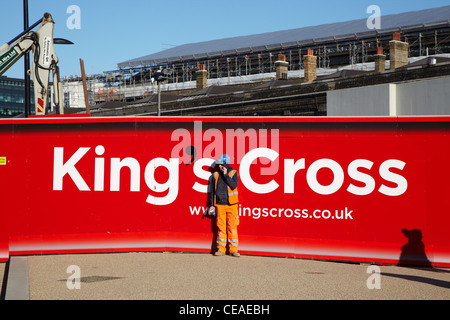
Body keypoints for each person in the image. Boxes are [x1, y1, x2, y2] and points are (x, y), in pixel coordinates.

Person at [208, 154, 240, 257]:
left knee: (232, 227)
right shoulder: (215, 175)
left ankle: (233, 250)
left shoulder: (234, 173)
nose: (219, 166)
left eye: (221, 164)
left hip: (232, 205)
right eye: (219, 164)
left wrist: (226, 175)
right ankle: (221, 249)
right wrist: (212, 205)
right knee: (221, 228)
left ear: (226, 164)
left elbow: (233, 185)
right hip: (219, 205)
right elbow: (212, 192)